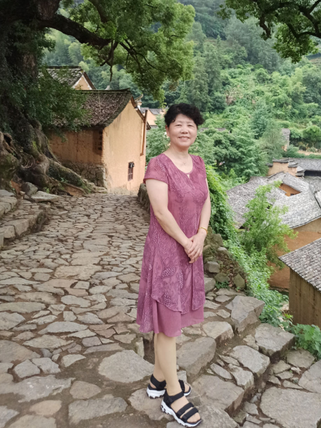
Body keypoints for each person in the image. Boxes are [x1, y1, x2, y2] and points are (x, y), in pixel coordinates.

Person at [136, 103, 210, 428]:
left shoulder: (198, 163)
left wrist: (201, 235)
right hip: (167, 252)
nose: (185, 129)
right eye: (178, 124)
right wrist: (186, 241)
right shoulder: (158, 164)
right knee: (167, 323)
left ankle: (157, 379)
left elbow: (206, 200)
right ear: (167, 130)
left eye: (190, 125)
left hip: (190, 250)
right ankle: (173, 394)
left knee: (172, 317)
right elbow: (161, 212)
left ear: (196, 131)